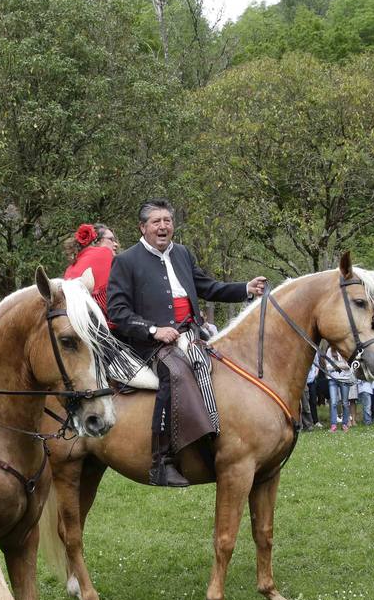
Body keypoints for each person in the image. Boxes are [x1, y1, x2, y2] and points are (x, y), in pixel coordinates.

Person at [107, 198, 267, 486]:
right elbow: (117, 312)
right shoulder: (125, 260)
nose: (163, 226)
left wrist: (245, 288)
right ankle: (163, 458)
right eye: (156, 221)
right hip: (150, 343)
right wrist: (154, 330)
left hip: (192, 335)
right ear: (142, 227)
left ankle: (218, 439)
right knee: (175, 372)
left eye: (167, 220)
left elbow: (207, 287)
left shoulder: (182, 253)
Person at [62, 223, 120, 315]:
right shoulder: (104, 253)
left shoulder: (71, 266)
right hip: (102, 318)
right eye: (111, 240)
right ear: (97, 241)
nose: (115, 244)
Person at [325, 348, 353, 432]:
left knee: (345, 403)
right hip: (332, 379)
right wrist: (341, 365)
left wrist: (335, 365)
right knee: (333, 403)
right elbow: (327, 367)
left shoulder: (344, 348)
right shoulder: (330, 350)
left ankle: (344, 424)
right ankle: (333, 425)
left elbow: (348, 365)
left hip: (344, 379)